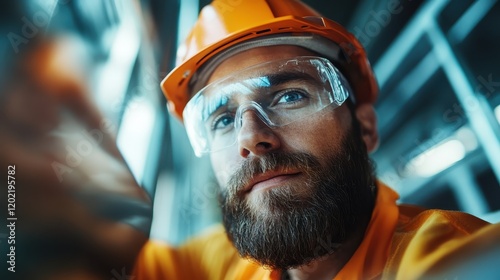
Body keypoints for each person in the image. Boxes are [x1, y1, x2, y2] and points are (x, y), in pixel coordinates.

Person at [133, 0, 500, 279]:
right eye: (224, 119)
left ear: (366, 128)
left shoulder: (447, 259)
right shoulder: (219, 261)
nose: (250, 137)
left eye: (290, 96)